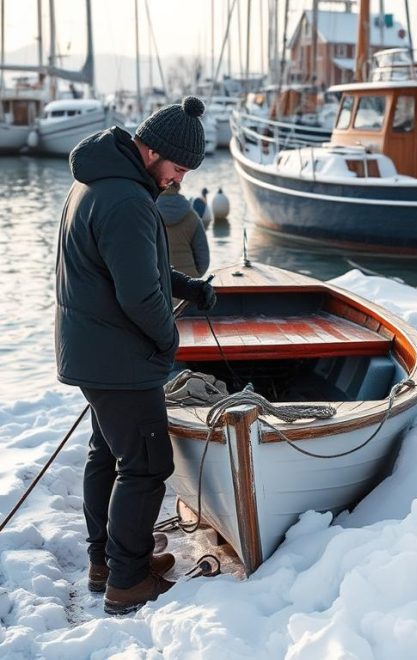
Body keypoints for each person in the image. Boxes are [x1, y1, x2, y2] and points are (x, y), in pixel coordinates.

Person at [55, 96, 217, 615]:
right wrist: (168, 340)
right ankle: (128, 580)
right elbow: (138, 296)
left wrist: (186, 285)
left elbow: (132, 267)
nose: (178, 181)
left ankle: (108, 560)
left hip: (95, 350)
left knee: (109, 454)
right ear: (152, 151)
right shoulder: (126, 199)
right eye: (178, 168)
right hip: (118, 358)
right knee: (147, 464)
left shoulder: (100, 182)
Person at [157, 181, 210, 277]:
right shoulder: (192, 215)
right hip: (189, 280)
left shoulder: (149, 213)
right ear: (178, 187)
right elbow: (203, 258)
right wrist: (195, 276)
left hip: (160, 281)